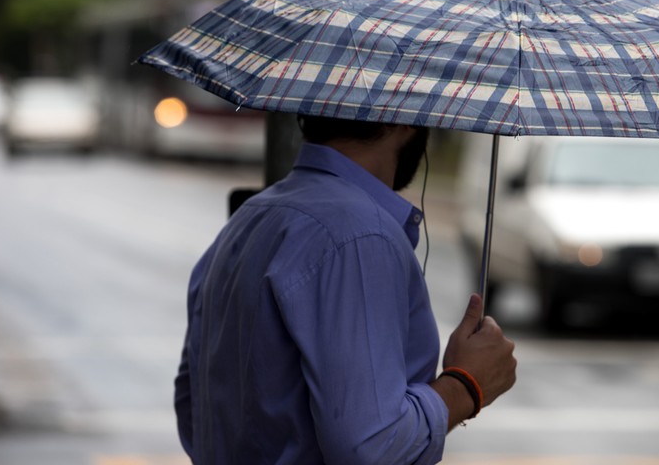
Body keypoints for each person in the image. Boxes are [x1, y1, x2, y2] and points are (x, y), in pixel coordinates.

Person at [174, 115, 517, 464]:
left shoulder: (249, 218)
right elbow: (372, 447)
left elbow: (192, 410)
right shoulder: (361, 234)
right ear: (406, 118)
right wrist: (466, 385)